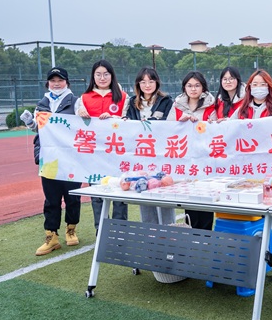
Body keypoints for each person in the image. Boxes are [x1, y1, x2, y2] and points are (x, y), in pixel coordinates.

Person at [21, 67, 82, 256]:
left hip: (71, 158)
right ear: (48, 83)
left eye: (60, 80)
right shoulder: (42, 103)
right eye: (53, 80)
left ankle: (71, 229)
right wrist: (30, 122)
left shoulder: (76, 102)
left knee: (72, 196)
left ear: (67, 82)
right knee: (51, 199)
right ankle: (51, 236)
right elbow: (39, 129)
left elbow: (83, 126)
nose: (56, 84)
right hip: (49, 158)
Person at [232, 69, 272, 250]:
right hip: (249, 166)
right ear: (249, 88)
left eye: (263, 84)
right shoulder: (241, 110)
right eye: (254, 84)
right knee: (253, 201)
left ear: (269, 87)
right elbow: (229, 130)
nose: (259, 88)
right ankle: (255, 238)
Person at [76, 60, 130, 233]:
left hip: (118, 154)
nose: (102, 78)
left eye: (106, 74)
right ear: (93, 77)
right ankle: (101, 233)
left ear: (112, 76)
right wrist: (78, 113)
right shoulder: (84, 98)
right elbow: (75, 127)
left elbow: (129, 123)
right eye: (98, 74)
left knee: (120, 194)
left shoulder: (123, 97)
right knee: (97, 195)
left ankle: (120, 232)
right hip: (94, 156)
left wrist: (115, 119)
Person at [167, 71, 217, 230]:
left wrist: (203, 124)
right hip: (186, 162)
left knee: (206, 205)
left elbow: (217, 131)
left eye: (197, 85)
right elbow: (168, 130)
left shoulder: (211, 106)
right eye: (189, 85)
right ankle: (191, 238)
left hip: (205, 161)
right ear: (184, 88)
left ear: (203, 87)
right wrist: (180, 123)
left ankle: (206, 237)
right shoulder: (176, 107)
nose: (193, 89)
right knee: (190, 205)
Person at [126, 67, 174, 227]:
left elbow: (170, 124)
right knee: (144, 188)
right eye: (143, 82)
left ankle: (169, 230)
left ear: (157, 83)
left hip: (161, 152)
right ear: (138, 84)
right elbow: (126, 123)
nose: (147, 85)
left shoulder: (166, 101)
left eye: (151, 81)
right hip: (141, 154)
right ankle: (150, 230)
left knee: (164, 189)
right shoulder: (132, 102)